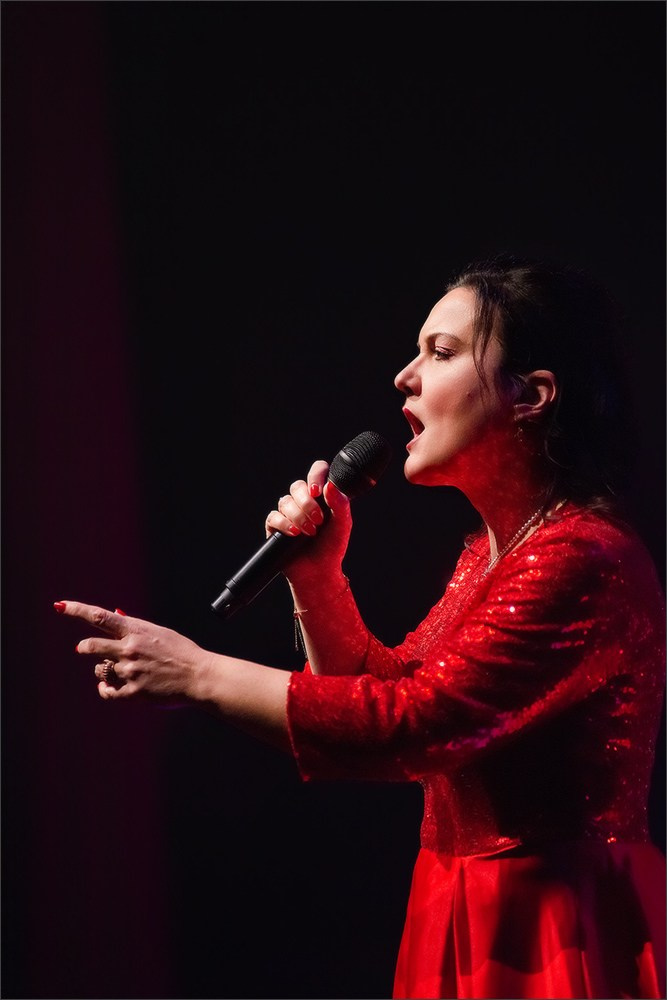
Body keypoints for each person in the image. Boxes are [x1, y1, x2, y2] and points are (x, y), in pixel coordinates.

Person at [55, 254, 666, 999]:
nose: (404, 377)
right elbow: (385, 692)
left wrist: (198, 672)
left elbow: (411, 727)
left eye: (439, 353)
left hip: (547, 930)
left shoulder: (582, 556)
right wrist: (316, 576)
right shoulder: (491, 552)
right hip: (463, 909)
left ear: (531, 395)